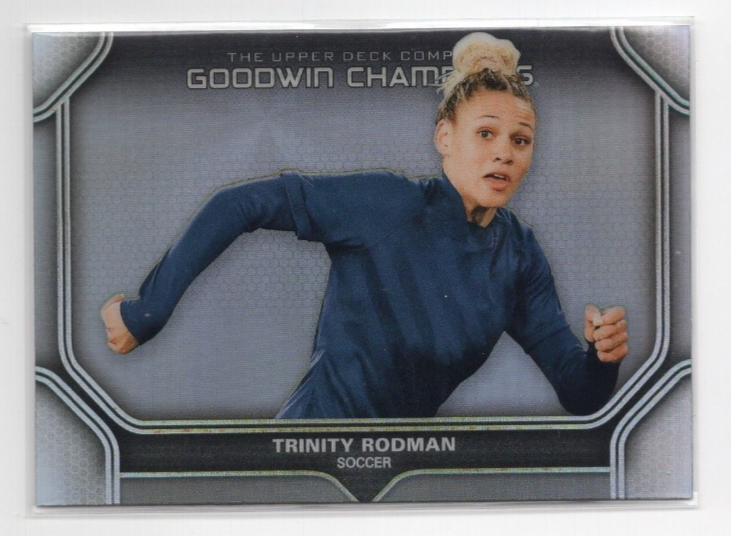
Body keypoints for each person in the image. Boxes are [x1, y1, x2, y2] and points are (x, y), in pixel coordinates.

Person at [101, 32, 629, 419]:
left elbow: (579, 392)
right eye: (486, 133)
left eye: (520, 140)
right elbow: (240, 204)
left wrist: (603, 357)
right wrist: (147, 312)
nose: (504, 154)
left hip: (397, 480)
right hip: (305, 462)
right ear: (445, 137)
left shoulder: (518, 254)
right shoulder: (389, 203)